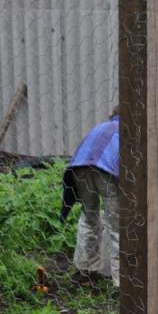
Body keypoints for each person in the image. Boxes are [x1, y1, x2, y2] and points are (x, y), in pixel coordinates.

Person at [61, 107, 120, 286]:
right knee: (117, 224)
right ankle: (122, 280)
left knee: (89, 217)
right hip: (105, 171)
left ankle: (85, 271)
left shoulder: (102, 126)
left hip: (80, 168)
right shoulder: (128, 130)